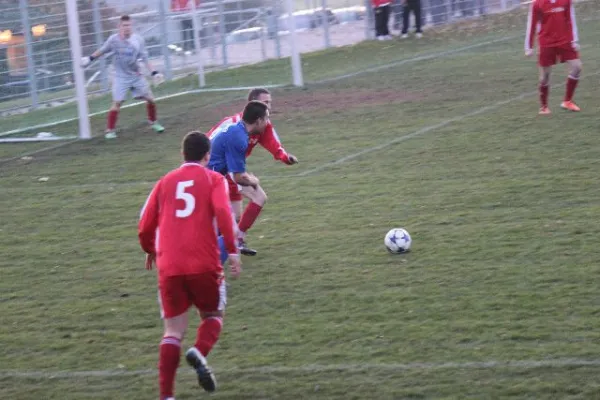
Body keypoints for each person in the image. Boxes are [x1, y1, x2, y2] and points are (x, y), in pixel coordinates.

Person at [138, 131, 242, 399]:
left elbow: (145, 225)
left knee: (172, 331)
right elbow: (223, 213)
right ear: (207, 156)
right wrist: (232, 250)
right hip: (204, 263)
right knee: (213, 315)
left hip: (169, 266)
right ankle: (199, 351)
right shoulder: (214, 179)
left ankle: (166, 395)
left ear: (182, 154)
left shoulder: (164, 182)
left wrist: (150, 249)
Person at [206, 88, 299, 256]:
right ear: (253, 106)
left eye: (270, 103)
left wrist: (285, 157)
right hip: (217, 173)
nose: (269, 107)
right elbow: (207, 141)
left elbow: (273, 143)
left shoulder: (261, 124)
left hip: (231, 170)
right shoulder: (234, 126)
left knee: (235, 217)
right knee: (226, 217)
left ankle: (233, 241)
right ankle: (222, 247)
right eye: (265, 103)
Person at [81, 15, 166, 139]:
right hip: (121, 77)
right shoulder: (113, 40)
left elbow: (146, 58)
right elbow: (102, 50)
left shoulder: (138, 40)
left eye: (129, 25)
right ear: (119, 27)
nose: (127, 28)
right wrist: (89, 59)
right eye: (124, 25)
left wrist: (154, 72)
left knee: (151, 99)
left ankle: (153, 122)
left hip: (136, 75)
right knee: (117, 103)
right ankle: (110, 130)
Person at [525, 0, 582, 115]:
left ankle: (567, 101)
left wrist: (574, 40)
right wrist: (528, 47)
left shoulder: (566, 1)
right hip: (546, 43)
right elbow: (531, 25)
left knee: (577, 67)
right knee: (545, 77)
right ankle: (544, 107)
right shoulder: (537, 4)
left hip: (564, 40)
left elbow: (571, 19)